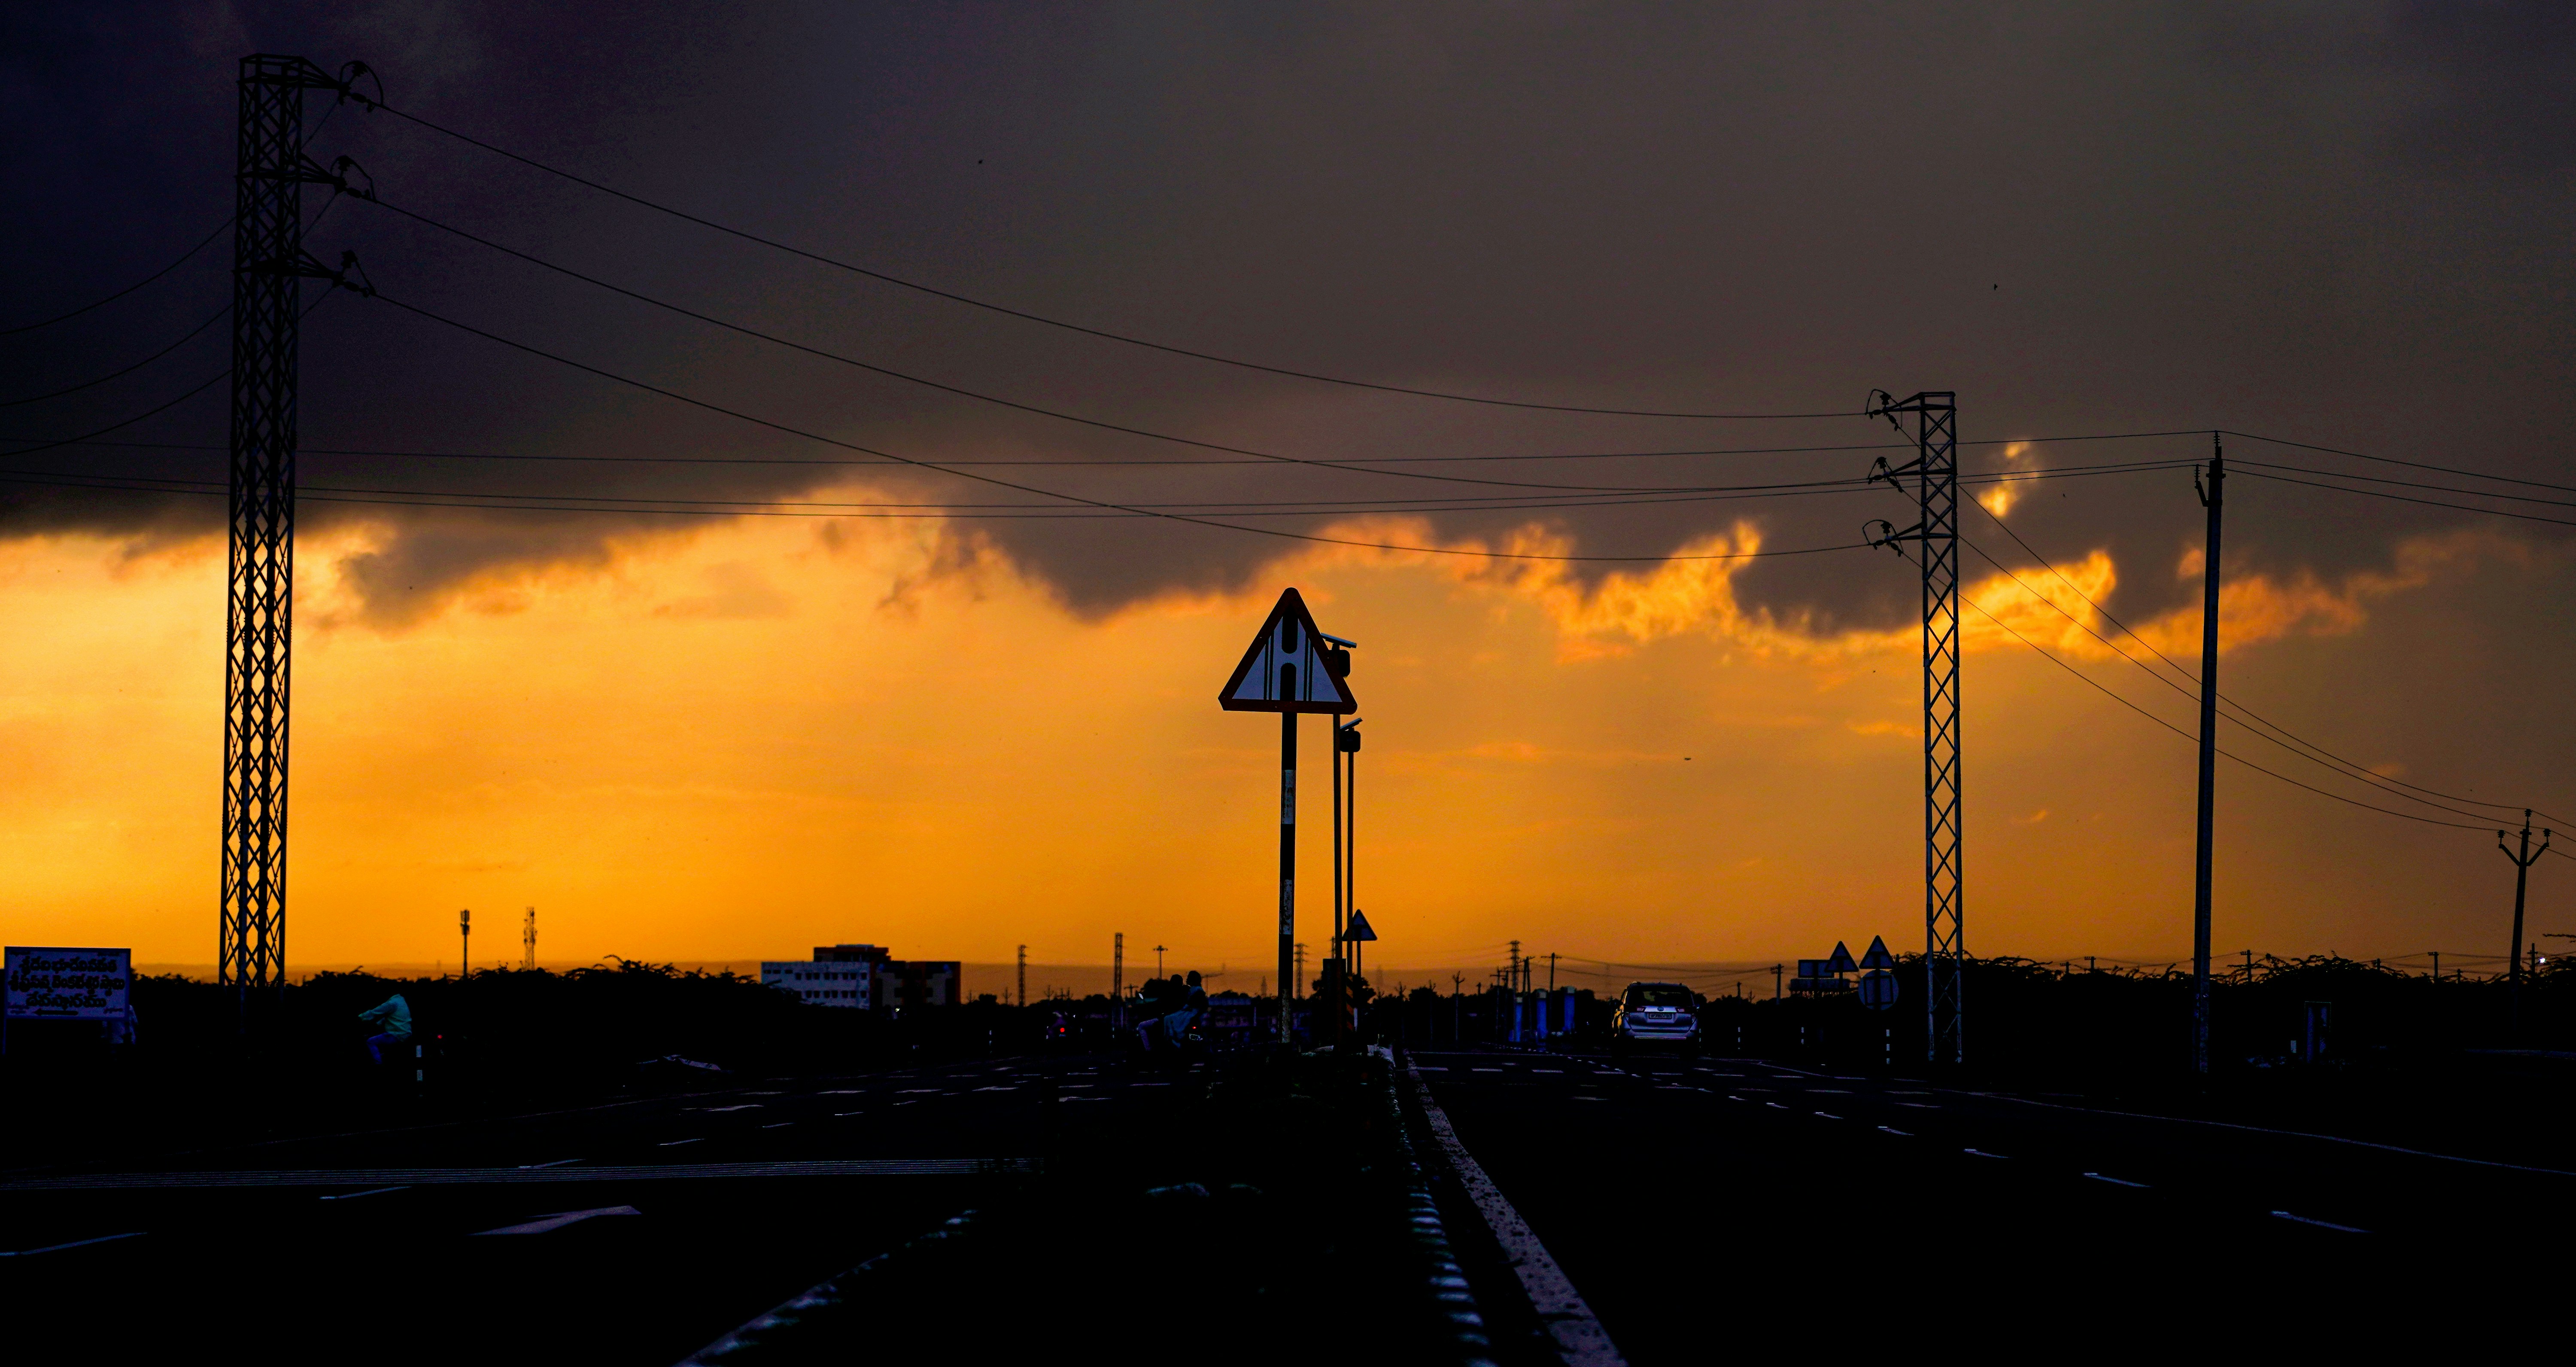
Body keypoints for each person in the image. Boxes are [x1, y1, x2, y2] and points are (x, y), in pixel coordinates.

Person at [358, 992, 412, 1065]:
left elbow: (375, 1012)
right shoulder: (401, 1001)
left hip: (397, 1034)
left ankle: (378, 1064)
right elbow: (390, 1017)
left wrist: (360, 1017)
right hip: (405, 1032)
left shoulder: (391, 1003)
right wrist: (378, 1023)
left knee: (371, 1041)